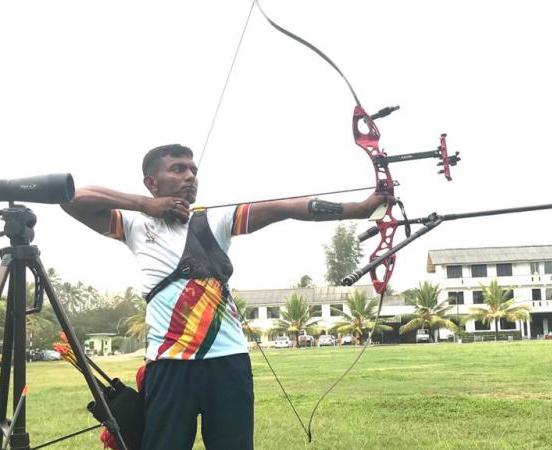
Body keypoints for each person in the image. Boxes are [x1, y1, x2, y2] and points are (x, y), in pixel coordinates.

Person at [61, 144, 389, 450]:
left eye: (193, 170)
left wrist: (360, 209)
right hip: (170, 365)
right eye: (177, 169)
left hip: (228, 362)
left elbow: (285, 207)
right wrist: (145, 205)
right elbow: (71, 196)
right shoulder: (133, 224)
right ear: (152, 182)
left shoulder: (213, 219)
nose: (190, 176)